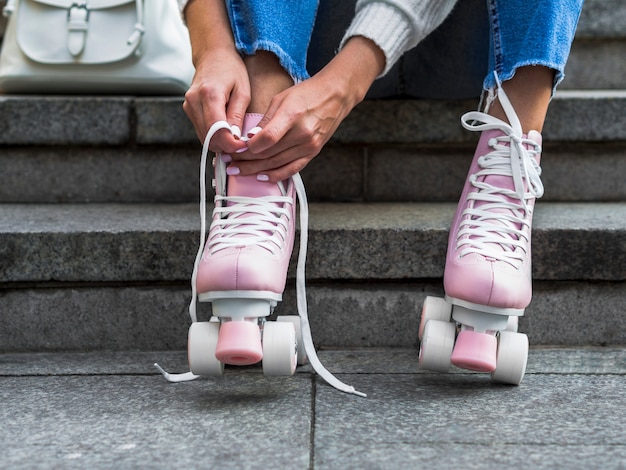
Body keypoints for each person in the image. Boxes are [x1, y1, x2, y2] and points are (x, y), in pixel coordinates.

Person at [173, 0, 584, 389]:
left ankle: (509, 154)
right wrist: (213, 47)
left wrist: (344, 84)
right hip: (303, 35)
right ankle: (259, 153)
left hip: (473, 40)